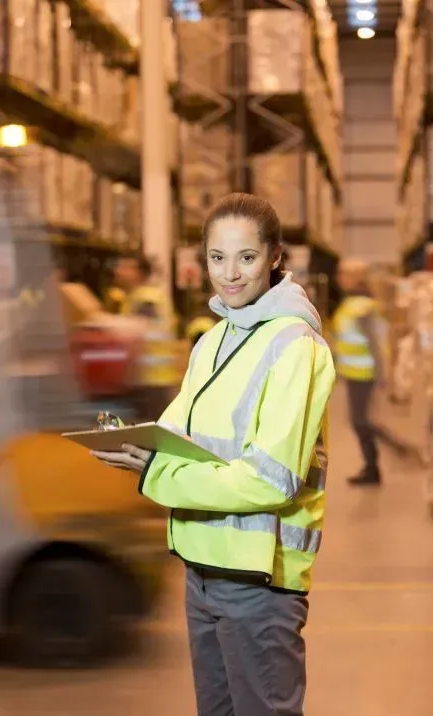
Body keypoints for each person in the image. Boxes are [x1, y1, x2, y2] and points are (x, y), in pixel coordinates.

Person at [92, 193, 336, 716]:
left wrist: (155, 474)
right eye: (217, 257)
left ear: (273, 256)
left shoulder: (295, 345)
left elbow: (272, 480)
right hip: (201, 570)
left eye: (246, 257)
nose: (230, 273)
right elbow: (178, 433)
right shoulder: (212, 340)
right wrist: (128, 443)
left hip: (257, 580)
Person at [333, 259, 411, 486]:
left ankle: (390, 454)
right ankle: (372, 467)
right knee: (360, 421)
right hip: (354, 373)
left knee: (361, 420)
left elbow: (376, 345)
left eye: (343, 274)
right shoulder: (352, 303)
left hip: (364, 375)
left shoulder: (361, 307)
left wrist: (382, 376)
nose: (339, 277)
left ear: (354, 278)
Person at [110, 253, 179, 420]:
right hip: (143, 380)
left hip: (153, 381)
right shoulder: (134, 298)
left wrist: (103, 323)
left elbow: (137, 327)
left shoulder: (147, 298)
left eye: (125, 267)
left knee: (152, 437)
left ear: (139, 272)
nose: (118, 271)